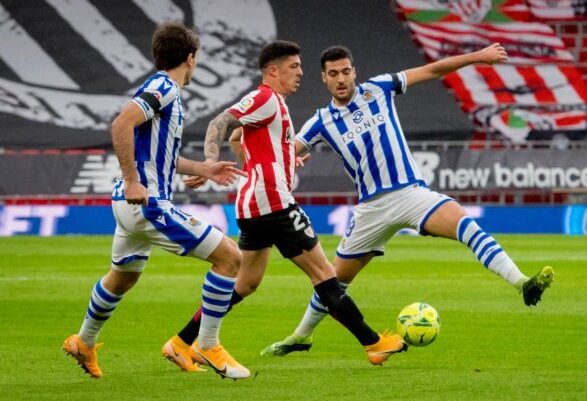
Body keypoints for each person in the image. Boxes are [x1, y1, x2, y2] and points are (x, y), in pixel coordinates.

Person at [261, 43, 555, 356]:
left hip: (410, 194)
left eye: (346, 71)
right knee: (333, 281)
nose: (341, 79)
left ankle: (522, 282)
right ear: (324, 78)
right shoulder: (321, 121)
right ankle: (301, 336)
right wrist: (288, 158)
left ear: (354, 72)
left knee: (466, 225)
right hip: (371, 211)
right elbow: (284, 152)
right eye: (333, 74)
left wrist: (478, 57)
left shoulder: (379, 89)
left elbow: (431, 70)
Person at [162, 40, 406, 372]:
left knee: (245, 284)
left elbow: (239, 139)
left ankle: (181, 342)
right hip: (274, 204)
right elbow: (221, 122)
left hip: (253, 206)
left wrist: (280, 161)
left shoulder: (274, 104)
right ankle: (373, 343)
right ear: (273, 71)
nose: (301, 72)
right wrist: (209, 162)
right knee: (324, 275)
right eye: (294, 67)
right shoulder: (265, 98)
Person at [62, 22, 251, 380]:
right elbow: (121, 124)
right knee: (229, 257)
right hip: (146, 202)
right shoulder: (163, 88)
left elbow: (161, 157)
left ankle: (84, 342)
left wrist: (204, 169)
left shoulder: (165, 94)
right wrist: (133, 180)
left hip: (130, 203)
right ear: (191, 58)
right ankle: (206, 343)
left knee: (122, 278)